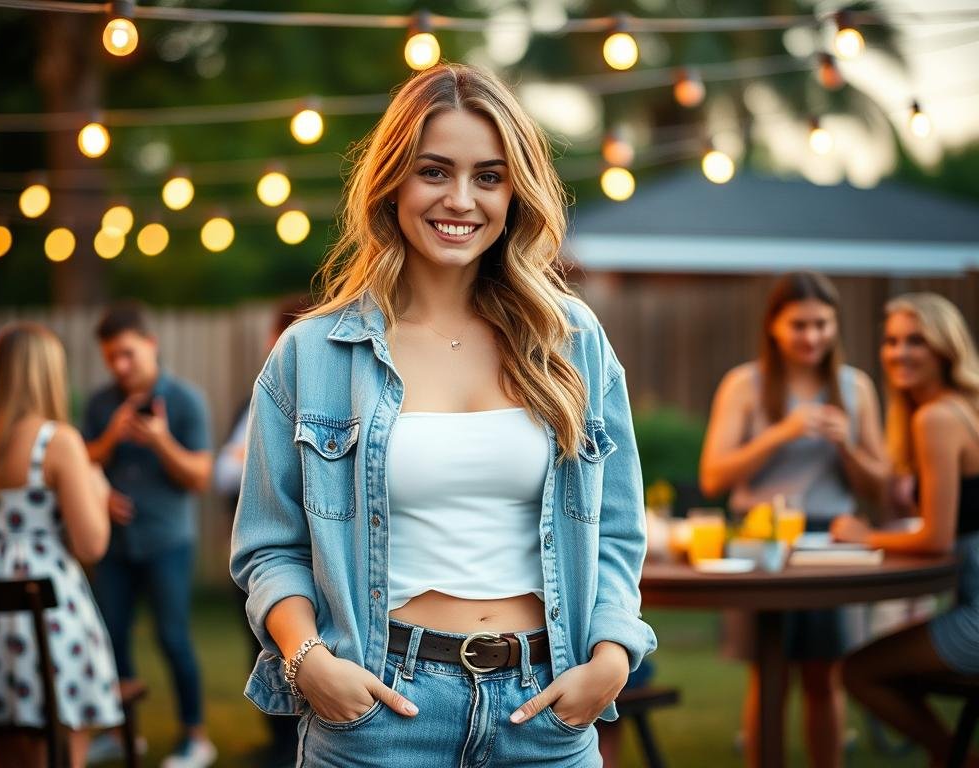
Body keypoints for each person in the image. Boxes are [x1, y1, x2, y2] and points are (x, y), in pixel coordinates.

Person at [230, 62, 656, 767]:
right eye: (435, 171)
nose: (461, 199)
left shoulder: (572, 341)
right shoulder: (312, 354)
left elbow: (614, 528)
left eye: (488, 176)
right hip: (379, 712)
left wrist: (611, 656)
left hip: (544, 711)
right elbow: (270, 548)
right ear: (393, 179)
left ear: (514, 191)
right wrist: (308, 662)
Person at [699, 271, 888, 768]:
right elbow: (714, 477)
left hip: (831, 543)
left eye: (822, 325)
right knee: (770, 673)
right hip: (759, 542)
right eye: (799, 325)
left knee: (826, 674)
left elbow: (881, 487)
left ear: (835, 325)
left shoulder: (855, 388)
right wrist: (779, 434)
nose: (812, 337)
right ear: (774, 327)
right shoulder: (745, 384)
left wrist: (846, 443)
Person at [0, 323, 122, 768]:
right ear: (48, 374)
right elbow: (90, 546)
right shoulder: (57, 442)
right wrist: (98, 492)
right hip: (45, 625)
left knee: (5, 757)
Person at [833, 292, 979, 767]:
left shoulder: (937, 417)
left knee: (859, 672)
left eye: (916, 340)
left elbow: (936, 538)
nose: (899, 353)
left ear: (945, 348)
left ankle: (958, 757)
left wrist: (863, 536)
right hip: (967, 596)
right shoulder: (963, 406)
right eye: (892, 341)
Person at [82, 301, 216, 768]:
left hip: (167, 542)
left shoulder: (185, 400)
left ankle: (195, 737)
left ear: (151, 346)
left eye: (127, 354)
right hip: (113, 546)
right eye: (111, 358)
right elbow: (82, 466)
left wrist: (159, 439)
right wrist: (109, 441)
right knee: (110, 637)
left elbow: (200, 477)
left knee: (172, 637)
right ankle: (123, 734)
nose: (120, 366)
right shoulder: (102, 403)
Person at [213, 294, 310, 768]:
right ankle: (275, 741)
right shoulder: (254, 399)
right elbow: (221, 475)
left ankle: (294, 743)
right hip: (255, 549)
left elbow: (237, 469)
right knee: (263, 645)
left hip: (306, 552)